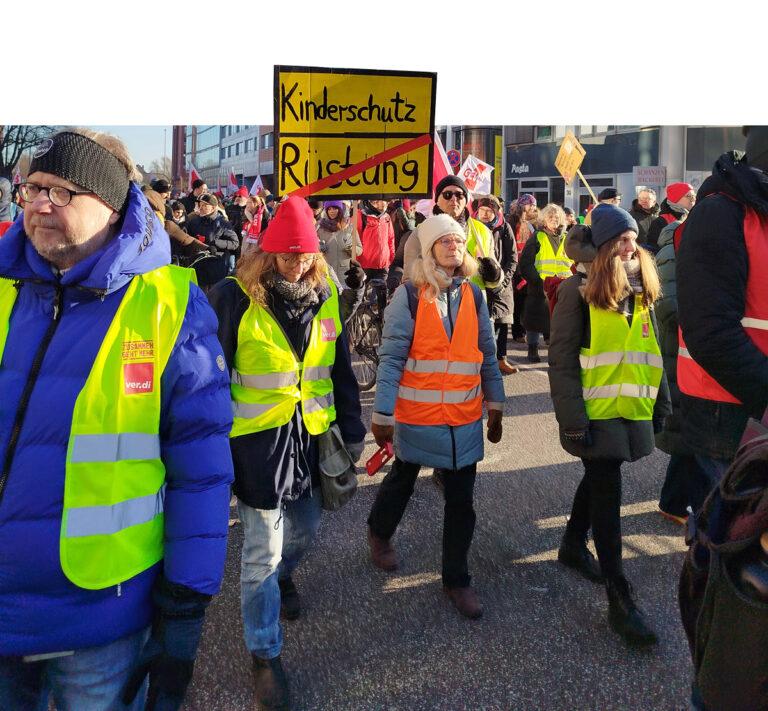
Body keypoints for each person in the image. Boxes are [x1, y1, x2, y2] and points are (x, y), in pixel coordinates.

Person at [0, 128, 234, 709]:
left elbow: (201, 469)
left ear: (109, 206)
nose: (39, 205)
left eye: (60, 192)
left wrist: (185, 608)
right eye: (33, 189)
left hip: (99, 618)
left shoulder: (169, 306)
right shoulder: (4, 290)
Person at [208, 195, 365, 710]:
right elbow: (211, 376)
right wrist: (209, 447)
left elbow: (339, 369)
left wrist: (353, 429)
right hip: (258, 444)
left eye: (305, 255)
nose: (297, 263)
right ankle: (265, 654)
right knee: (261, 551)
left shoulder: (326, 293)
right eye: (288, 254)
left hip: (313, 438)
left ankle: (281, 577)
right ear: (269, 251)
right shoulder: (233, 296)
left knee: (305, 530)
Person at [366, 213, 505, 620]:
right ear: (428, 250)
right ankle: (379, 532)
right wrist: (382, 413)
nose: (453, 246)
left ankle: (456, 579)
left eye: (458, 241)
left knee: (462, 501)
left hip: (463, 417)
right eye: (444, 240)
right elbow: (392, 358)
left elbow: (487, 355)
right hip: (419, 413)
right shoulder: (408, 296)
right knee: (403, 480)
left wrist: (496, 404)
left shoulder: (474, 295)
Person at [548, 203, 671, 647]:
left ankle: (571, 544)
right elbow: (562, 361)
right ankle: (620, 597)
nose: (630, 246)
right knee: (607, 492)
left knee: (602, 475)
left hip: (630, 408)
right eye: (621, 239)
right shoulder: (576, 291)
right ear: (602, 247)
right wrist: (573, 422)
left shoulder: (641, 287)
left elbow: (651, 350)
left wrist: (661, 403)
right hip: (595, 414)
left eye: (633, 238)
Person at [676, 128, 768, 513]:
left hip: (751, 404)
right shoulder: (721, 212)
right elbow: (711, 331)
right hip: (729, 414)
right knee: (740, 532)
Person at [519, 203, 573, 362]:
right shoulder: (537, 237)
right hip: (540, 288)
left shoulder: (567, 237)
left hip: (563, 288)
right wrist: (537, 281)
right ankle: (533, 349)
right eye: (550, 217)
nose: (554, 219)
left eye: (557, 217)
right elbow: (525, 263)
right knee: (535, 321)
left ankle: (557, 352)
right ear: (544, 220)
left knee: (559, 322)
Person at [473, 194, 519, 374]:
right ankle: (481, 361)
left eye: (489, 211)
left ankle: (501, 359)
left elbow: (512, 258)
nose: (485, 214)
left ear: (496, 212)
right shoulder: (472, 227)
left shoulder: (504, 227)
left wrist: (502, 281)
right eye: (482, 210)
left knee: (502, 323)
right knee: (481, 326)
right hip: (478, 282)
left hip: (501, 284)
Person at [184, 193, 239, 289]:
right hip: (197, 267)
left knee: (213, 296)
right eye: (200, 205)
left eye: (204, 206)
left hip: (215, 268)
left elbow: (235, 243)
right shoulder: (194, 221)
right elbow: (187, 238)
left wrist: (216, 243)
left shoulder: (223, 223)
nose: (201, 208)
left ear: (213, 208)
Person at [508, 194, 539, 342]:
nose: (533, 207)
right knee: (519, 300)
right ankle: (518, 332)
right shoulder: (514, 221)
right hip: (518, 267)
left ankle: (525, 329)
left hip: (531, 265)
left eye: (534, 205)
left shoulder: (535, 222)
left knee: (528, 300)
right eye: (530, 204)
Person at [644, 182, 695, 253]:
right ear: (675, 199)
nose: (693, 199)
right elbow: (654, 250)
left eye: (694, 196)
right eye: (689, 196)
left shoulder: (694, 216)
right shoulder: (660, 222)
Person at [316, 199, 362, 279]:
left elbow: (359, 249)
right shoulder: (320, 228)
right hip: (326, 271)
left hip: (345, 272)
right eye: (329, 209)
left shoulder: (350, 227)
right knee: (330, 287)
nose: (331, 211)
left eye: (335, 208)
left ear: (340, 210)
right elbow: (312, 249)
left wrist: (351, 248)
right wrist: (319, 247)